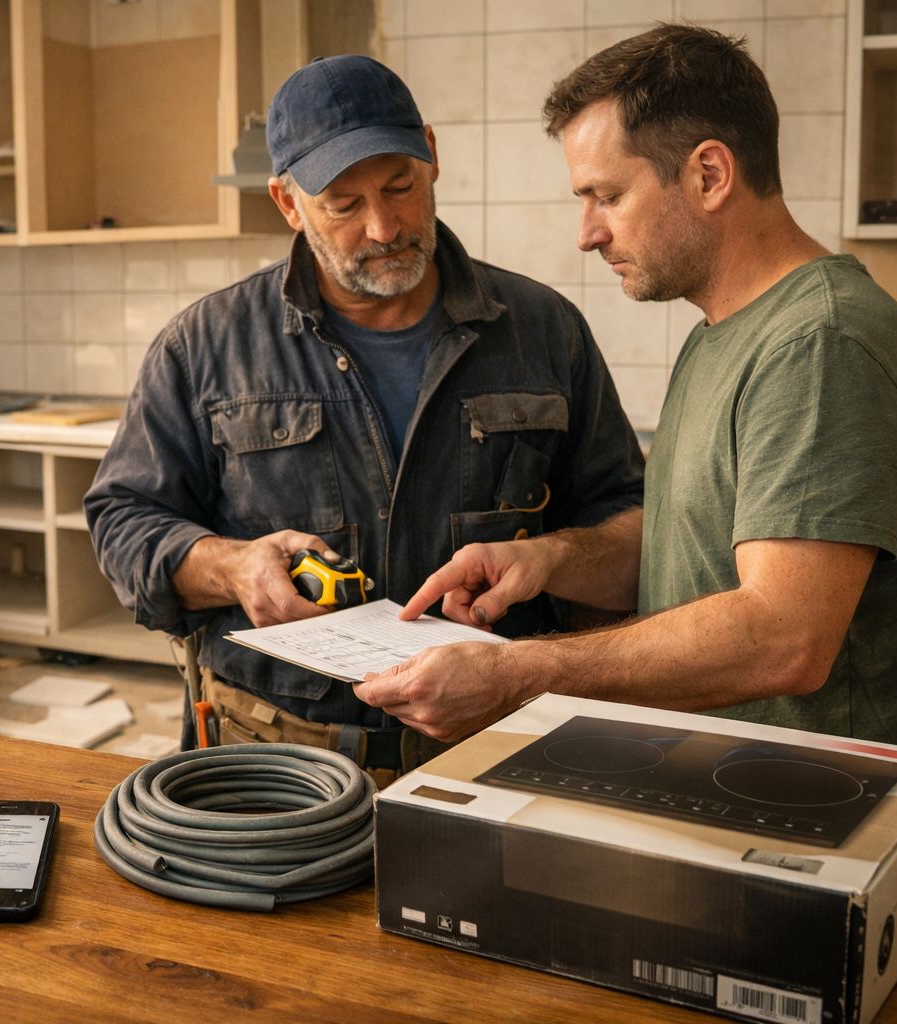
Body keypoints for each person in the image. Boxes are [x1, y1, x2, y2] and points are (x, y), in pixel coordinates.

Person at [356, 25, 897, 752]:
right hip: (733, 791)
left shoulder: (821, 344)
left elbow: (783, 637)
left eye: (606, 195)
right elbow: (693, 560)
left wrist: (521, 673)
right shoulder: (721, 335)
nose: (588, 233)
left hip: (821, 819)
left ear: (709, 174)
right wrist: (547, 561)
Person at [85, 55, 645, 776]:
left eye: (400, 186)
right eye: (343, 206)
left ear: (432, 156)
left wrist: (552, 560)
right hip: (271, 760)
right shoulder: (204, 346)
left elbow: (629, 528)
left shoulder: (543, 331)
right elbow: (124, 522)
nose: (384, 227)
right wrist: (233, 569)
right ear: (288, 204)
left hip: (492, 754)